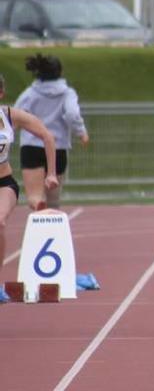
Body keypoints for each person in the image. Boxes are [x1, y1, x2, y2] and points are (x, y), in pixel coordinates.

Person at [0, 73, 59, 302]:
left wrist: (51, 172)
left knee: (0, 221)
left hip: (4, 183)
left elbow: (47, 135)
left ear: (1, 94)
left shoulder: (9, 115)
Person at [14, 53, 88, 211]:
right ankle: (54, 224)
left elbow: (15, 115)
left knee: (34, 196)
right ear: (60, 72)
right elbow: (72, 114)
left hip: (31, 147)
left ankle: (37, 204)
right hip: (57, 147)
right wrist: (81, 132)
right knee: (54, 199)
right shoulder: (67, 93)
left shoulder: (29, 93)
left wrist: (10, 132)